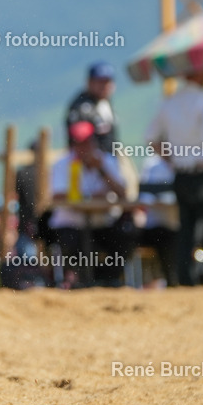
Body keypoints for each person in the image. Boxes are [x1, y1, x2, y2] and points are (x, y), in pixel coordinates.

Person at [46, 121, 133, 288]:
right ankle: (81, 281)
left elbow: (123, 192)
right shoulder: (63, 163)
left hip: (102, 223)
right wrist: (90, 196)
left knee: (124, 235)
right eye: (79, 143)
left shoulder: (106, 160)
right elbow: (57, 195)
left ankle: (108, 280)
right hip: (71, 225)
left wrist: (102, 171)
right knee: (74, 243)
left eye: (87, 142)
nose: (84, 148)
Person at [146, 69, 203, 286]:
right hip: (201, 174)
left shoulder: (169, 104)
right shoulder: (202, 101)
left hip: (180, 175)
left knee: (186, 228)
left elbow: (150, 138)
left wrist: (172, 159)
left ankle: (185, 278)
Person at [136, 154, 179, 288]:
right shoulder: (151, 163)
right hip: (156, 225)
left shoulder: (187, 162)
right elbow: (143, 195)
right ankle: (169, 281)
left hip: (178, 225)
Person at [66, 62, 118, 152]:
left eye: (107, 82)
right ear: (89, 82)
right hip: (87, 162)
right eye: (100, 82)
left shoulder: (104, 102)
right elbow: (79, 141)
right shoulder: (82, 107)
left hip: (109, 158)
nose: (104, 87)